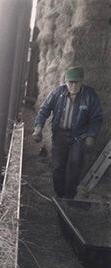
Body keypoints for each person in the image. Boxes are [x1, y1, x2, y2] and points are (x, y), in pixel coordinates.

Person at [32, 66, 103, 198]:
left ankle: (70, 195)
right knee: (58, 165)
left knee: (75, 164)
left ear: (82, 82)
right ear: (66, 82)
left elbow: (97, 118)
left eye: (77, 82)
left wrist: (91, 135)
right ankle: (59, 194)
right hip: (60, 134)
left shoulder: (90, 95)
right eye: (71, 82)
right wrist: (38, 128)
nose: (73, 86)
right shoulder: (57, 93)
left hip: (79, 136)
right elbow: (44, 110)